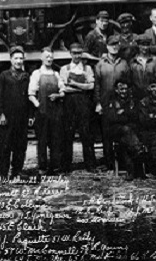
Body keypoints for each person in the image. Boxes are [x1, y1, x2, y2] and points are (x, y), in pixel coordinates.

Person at [0, 46, 30, 179]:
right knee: (5, 145)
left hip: (22, 116)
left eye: (21, 58)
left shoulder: (26, 76)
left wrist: (30, 115)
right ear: (11, 60)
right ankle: (3, 172)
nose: (18, 61)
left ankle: (17, 171)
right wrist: (1, 114)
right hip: (8, 117)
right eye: (16, 58)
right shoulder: (4, 76)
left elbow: (29, 96)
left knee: (20, 146)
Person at [94, 36, 130, 169]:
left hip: (120, 103)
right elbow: (97, 85)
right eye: (111, 45)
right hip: (105, 103)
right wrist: (97, 103)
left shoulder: (124, 64)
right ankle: (108, 162)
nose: (114, 47)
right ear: (107, 47)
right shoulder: (101, 64)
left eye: (116, 45)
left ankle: (122, 161)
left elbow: (128, 83)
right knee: (106, 133)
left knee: (121, 131)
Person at [60, 43, 96, 172]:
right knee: (67, 134)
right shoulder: (65, 69)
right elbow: (64, 88)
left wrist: (75, 84)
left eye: (79, 53)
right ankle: (66, 165)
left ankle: (90, 165)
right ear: (70, 53)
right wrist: (83, 86)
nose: (77, 56)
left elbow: (91, 86)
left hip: (84, 104)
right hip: (69, 104)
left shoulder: (88, 69)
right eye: (74, 53)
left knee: (86, 134)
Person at [28, 48, 65, 175]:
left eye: (51, 57)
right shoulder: (36, 74)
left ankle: (55, 166)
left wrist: (58, 95)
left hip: (55, 111)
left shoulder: (56, 74)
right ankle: (42, 167)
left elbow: (63, 90)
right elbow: (31, 94)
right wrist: (38, 105)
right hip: (42, 112)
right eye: (47, 57)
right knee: (42, 140)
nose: (49, 59)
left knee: (56, 139)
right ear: (41, 58)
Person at [102, 79, 148, 179]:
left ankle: (131, 171)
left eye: (126, 89)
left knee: (125, 141)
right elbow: (111, 118)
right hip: (116, 130)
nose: (124, 91)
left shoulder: (133, 101)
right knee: (126, 130)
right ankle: (138, 154)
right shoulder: (111, 101)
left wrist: (123, 112)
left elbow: (136, 116)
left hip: (128, 133)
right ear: (116, 90)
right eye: (121, 89)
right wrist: (127, 115)